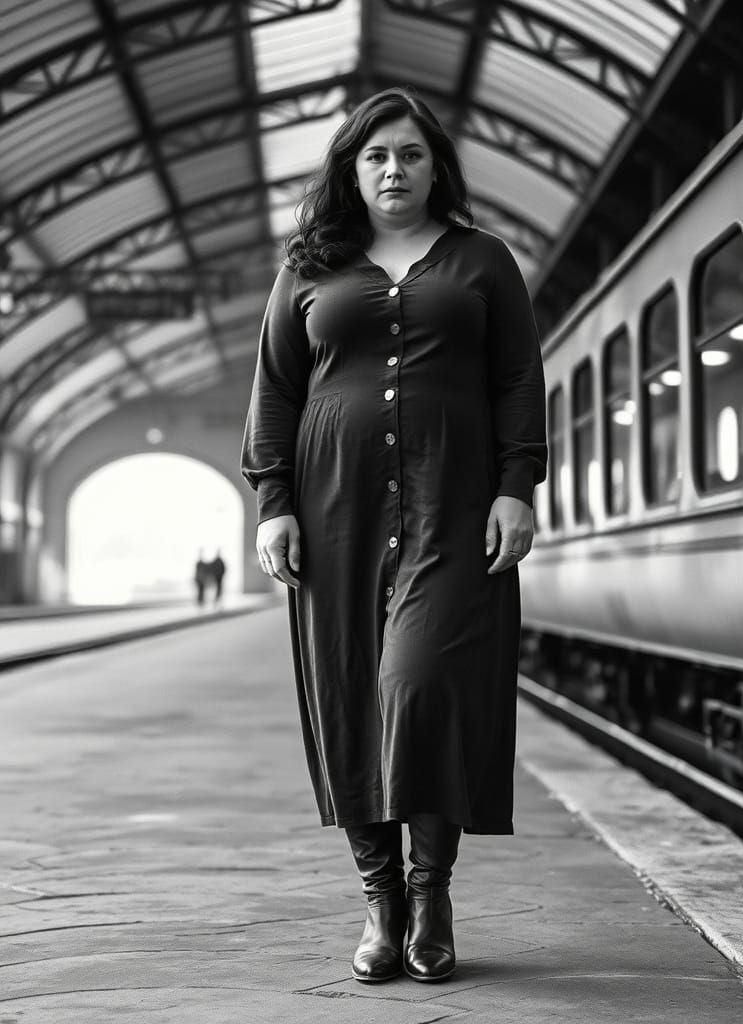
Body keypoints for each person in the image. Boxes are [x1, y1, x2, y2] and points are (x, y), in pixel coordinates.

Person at [241, 87, 547, 984]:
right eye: (375, 156)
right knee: (350, 696)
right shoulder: (309, 266)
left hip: (454, 507)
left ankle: (431, 889)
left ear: (435, 166)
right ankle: (382, 903)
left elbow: (517, 379)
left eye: (410, 154)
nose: (393, 170)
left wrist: (516, 488)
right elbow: (276, 388)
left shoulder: (483, 260)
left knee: (425, 687)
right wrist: (273, 501)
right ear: (351, 170)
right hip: (333, 512)